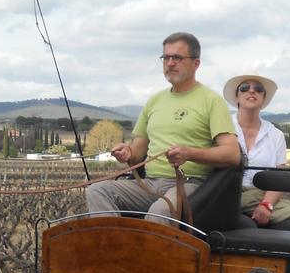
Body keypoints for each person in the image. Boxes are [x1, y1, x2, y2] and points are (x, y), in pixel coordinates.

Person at [86, 32, 239, 222]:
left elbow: (232, 154)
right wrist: (127, 152)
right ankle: (113, 249)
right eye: (166, 57)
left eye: (177, 57)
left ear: (196, 64)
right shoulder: (154, 101)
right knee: (97, 191)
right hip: (149, 184)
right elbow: (137, 154)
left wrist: (189, 153)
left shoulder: (212, 101)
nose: (170, 63)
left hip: (189, 184)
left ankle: (150, 252)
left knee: (160, 210)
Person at [222, 74, 290, 229]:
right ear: (237, 96)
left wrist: (266, 205)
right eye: (244, 88)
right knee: (248, 228)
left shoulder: (275, 135)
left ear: (264, 99)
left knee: (286, 228)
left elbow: (279, 177)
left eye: (258, 89)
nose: (251, 91)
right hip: (228, 197)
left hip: (262, 197)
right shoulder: (223, 127)